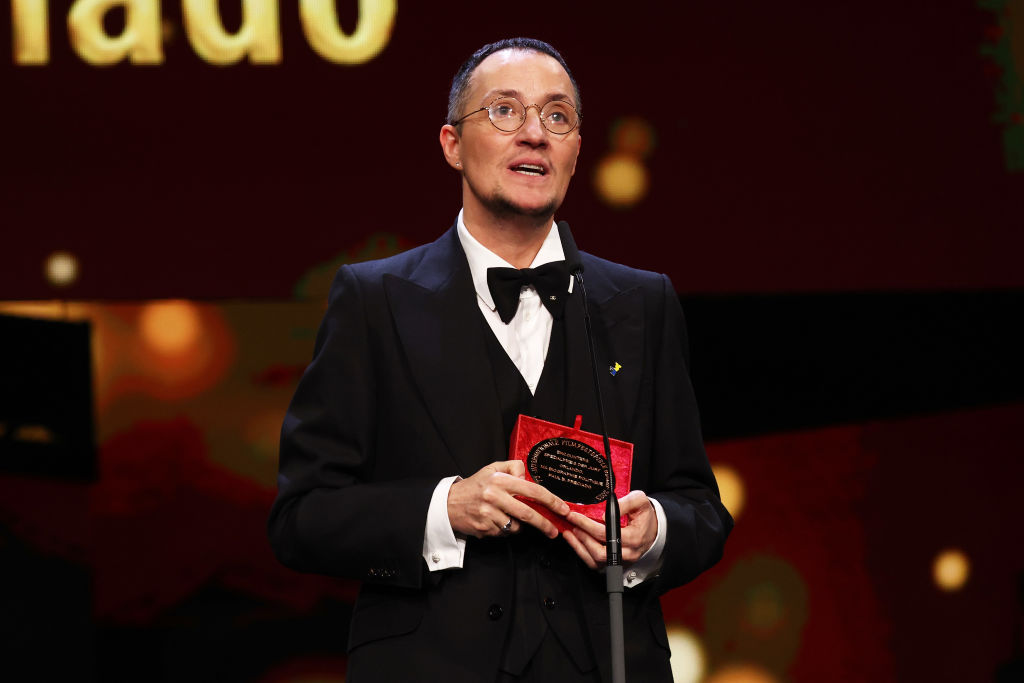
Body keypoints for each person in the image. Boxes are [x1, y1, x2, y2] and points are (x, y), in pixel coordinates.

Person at [268, 37, 732, 683]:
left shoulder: (641, 303)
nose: (535, 134)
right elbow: (301, 517)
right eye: (505, 111)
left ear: (575, 152)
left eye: (557, 116)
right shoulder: (373, 300)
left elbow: (700, 508)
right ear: (452, 144)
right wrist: (445, 508)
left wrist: (651, 529)